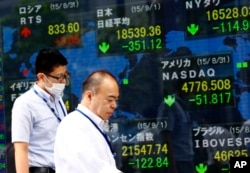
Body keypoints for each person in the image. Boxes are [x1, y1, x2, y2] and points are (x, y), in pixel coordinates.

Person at [11, 48, 70, 173]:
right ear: (41, 76)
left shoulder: (58, 99)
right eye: (59, 77)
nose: (64, 81)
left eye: (65, 75)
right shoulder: (25, 104)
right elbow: (21, 149)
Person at [54, 70, 122, 173]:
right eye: (110, 99)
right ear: (89, 96)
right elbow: (94, 168)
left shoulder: (91, 125)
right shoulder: (73, 125)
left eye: (116, 100)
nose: (114, 105)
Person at [157, 94, 195, 173]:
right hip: (177, 162)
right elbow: (166, 136)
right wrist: (172, 167)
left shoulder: (183, 107)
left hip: (186, 160)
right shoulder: (169, 105)